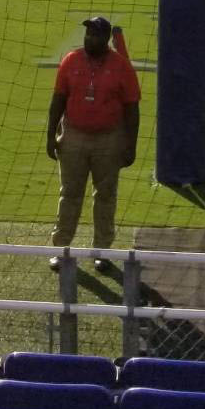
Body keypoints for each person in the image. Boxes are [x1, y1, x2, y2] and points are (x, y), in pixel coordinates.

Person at [46, 16, 139, 271]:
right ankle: (61, 249)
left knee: (106, 196)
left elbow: (132, 108)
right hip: (74, 136)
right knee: (69, 194)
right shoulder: (70, 61)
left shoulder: (121, 67)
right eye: (88, 34)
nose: (90, 38)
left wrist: (130, 145)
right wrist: (50, 136)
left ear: (107, 38)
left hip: (109, 139)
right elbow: (58, 100)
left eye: (96, 35)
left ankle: (102, 251)